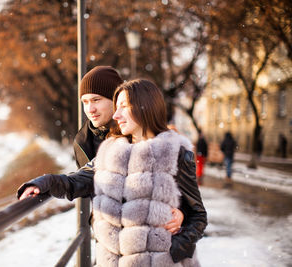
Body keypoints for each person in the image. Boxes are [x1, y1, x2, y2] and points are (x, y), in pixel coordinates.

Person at [17, 76, 207, 265]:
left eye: (124, 106)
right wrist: (44, 183)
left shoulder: (176, 153)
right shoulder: (110, 151)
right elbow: (76, 181)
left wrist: (174, 250)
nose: (116, 115)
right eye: (116, 108)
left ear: (145, 106)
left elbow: (198, 215)